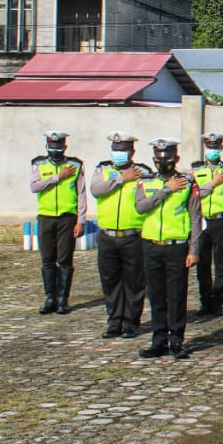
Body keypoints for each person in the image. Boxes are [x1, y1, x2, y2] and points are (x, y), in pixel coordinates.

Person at [134, 139, 202, 360]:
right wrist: (165, 190)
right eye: (160, 159)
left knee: (176, 296)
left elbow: (195, 217)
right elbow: (141, 207)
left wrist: (194, 249)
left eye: (169, 159)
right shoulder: (145, 182)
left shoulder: (188, 182)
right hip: (151, 245)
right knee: (156, 295)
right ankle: (158, 340)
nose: (164, 162)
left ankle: (176, 340)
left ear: (177, 159)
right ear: (154, 160)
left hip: (177, 246)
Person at [92, 131, 152, 338]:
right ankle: (114, 321)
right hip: (107, 234)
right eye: (115, 150)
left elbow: (149, 199)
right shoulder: (103, 169)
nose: (118, 154)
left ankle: (130, 321)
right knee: (110, 280)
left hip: (133, 234)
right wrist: (120, 179)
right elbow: (96, 190)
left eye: (123, 150)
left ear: (132, 151)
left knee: (134, 281)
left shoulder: (143, 172)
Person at [29, 131, 86, 315]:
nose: (56, 151)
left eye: (59, 147)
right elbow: (34, 186)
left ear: (65, 147)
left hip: (67, 218)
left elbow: (82, 194)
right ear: (47, 147)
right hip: (46, 217)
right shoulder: (38, 164)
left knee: (64, 259)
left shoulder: (75, 165)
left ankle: (63, 298)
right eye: (52, 147)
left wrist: (81, 220)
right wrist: (57, 178)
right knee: (47, 259)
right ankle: (50, 297)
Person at [191, 132, 223, 318]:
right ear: (204, 148)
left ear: (221, 148)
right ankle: (205, 300)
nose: (212, 151)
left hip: (220, 220)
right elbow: (195, 194)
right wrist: (213, 183)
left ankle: (218, 301)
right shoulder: (195, 169)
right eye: (210, 147)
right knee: (202, 263)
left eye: (216, 148)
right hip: (202, 221)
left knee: (221, 263)